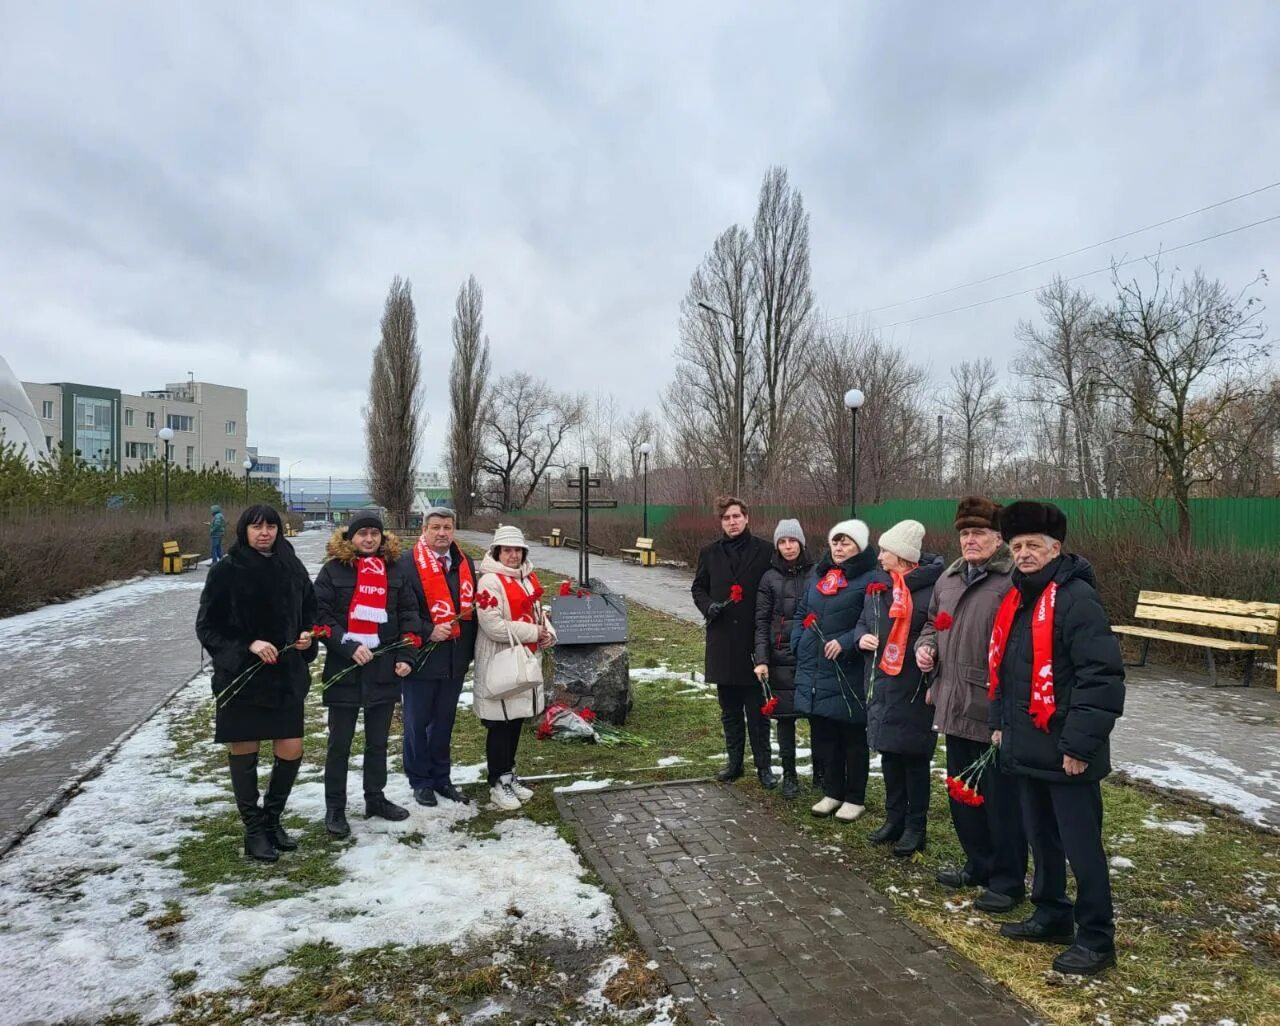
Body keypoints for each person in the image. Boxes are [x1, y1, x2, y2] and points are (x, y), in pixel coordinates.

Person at [989, 501, 1125, 976]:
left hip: (1068, 752)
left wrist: (1079, 745)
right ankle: (1051, 913)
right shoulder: (1016, 597)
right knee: (1041, 838)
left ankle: (1096, 937)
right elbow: (1006, 671)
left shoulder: (1075, 598)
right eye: (1018, 546)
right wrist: (1000, 722)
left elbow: (1101, 676)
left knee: (1082, 848)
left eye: (1033, 546)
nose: (1023, 553)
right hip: (1027, 746)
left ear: (1056, 549)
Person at [916, 497, 1028, 913]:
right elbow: (930, 622)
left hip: (991, 706)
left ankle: (1008, 880)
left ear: (999, 538)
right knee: (962, 794)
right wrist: (925, 649)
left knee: (1001, 801)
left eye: (979, 533)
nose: (971, 541)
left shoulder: (1011, 580)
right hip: (951, 700)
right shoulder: (949, 578)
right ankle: (977, 864)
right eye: (965, 533)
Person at [195, 504, 317, 862]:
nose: (264, 532)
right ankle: (253, 829)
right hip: (242, 679)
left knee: (291, 747)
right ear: (244, 530)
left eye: (271, 526)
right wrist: (248, 644)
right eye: (256, 526)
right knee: (244, 748)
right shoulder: (226, 571)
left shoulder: (291, 566)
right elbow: (207, 626)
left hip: (284, 677)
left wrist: (307, 635)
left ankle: (272, 818)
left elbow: (309, 609)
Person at [314, 514, 421, 838]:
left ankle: (375, 798)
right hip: (345, 668)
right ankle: (335, 807)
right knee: (339, 744)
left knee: (377, 742)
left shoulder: (396, 570)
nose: (369, 539)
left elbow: (408, 614)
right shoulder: (333, 570)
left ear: (382, 537)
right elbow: (320, 615)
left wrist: (406, 656)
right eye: (363, 533)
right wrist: (347, 644)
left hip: (383, 668)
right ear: (351, 537)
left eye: (375, 533)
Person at [855, 520, 944, 856]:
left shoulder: (931, 589)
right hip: (883, 681)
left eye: (884, 551)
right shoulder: (881, 586)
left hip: (914, 684)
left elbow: (938, 628)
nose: (879, 556)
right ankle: (894, 819)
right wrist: (860, 636)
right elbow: (863, 620)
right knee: (890, 754)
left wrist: (930, 650)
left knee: (914, 758)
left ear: (903, 556)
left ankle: (915, 827)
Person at [791, 519, 878, 822]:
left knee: (852, 734)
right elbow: (803, 610)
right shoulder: (820, 574)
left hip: (849, 668)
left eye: (846, 542)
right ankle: (832, 791)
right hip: (816, 667)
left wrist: (845, 642)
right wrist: (798, 641)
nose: (839, 548)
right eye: (835, 541)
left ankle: (855, 797)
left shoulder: (870, 578)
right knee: (824, 733)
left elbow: (871, 622)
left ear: (860, 546)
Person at [692, 496, 777, 788]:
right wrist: (708, 606)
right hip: (723, 641)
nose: (732, 522)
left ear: (747, 517)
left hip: (754, 642)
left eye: (737, 516)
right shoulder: (709, 553)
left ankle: (764, 767)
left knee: (757, 711)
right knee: (729, 710)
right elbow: (698, 588)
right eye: (727, 518)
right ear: (721, 522)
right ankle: (734, 762)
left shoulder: (765, 551)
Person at [398, 506, 478, 807]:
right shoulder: (406, 564)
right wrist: (428, 629)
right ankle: (420, 781)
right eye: (435, 527)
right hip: (420, 656)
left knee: (444, 722)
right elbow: (400, 612)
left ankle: (442, 777)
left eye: (447, 527)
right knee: (417, 723)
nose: (442, 533)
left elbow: (471, 611)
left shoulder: (464, 562)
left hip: (454, 659)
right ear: (424, 529)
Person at [473, 524, 556, 811]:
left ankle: (509, 773)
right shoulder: (490, 581)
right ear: (497, 551)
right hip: (501, 660)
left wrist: (546, 632)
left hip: (525, 659)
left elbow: (537, 612)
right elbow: (493, 625)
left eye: (517, 550)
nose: (512, 555)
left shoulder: (527, 578)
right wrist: (534, 632)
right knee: (500, 724)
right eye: (507, 550)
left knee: (516, 721)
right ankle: (497, 781)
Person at [753, 518, 815, 799]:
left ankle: (822, 772)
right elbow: (762, 621)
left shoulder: (817, 573)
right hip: (780, 656)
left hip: (812, 656)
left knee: (819, 718)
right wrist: (762, 659)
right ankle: (789, 773)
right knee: (786, 719)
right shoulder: (769, 578)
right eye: (782, 542)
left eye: (792, 541)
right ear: (777, 545)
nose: (788, 547)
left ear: (801, 542)